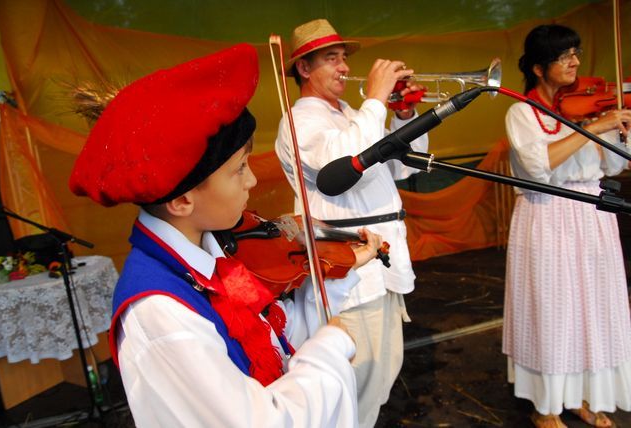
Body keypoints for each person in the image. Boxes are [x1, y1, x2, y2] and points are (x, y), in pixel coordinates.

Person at [69, 43, 386, 427]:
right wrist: (329, 350)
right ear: (182, 200)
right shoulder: (161, 313)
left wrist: (336, 274)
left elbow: (269, 337)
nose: (251, 181)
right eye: (239, 169)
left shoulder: (212, 258)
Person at [274, 19, 429, 427]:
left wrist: (403, 114)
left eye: (343, 58)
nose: (344, 68)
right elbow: (340, 167)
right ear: (304, 68)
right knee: (356, 378)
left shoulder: (352, 115)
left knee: (383, 370)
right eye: (332, 59)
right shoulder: (300, 121)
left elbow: (405, 167)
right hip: (348, 270)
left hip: (382, 257)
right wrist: (376, 99)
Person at [502, 24, 631, 428]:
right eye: (564, 56)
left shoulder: (588, 108)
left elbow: (615, 165)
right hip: (547, 213)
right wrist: (594, 128)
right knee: (552, 311)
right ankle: (546, 407)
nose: (575, 61)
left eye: (576, 52)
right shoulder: (522, 113)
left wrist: (619, 131)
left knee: (594, 308)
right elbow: (538, 166)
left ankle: (583, 395)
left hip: (593, 213)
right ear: (539, 68)